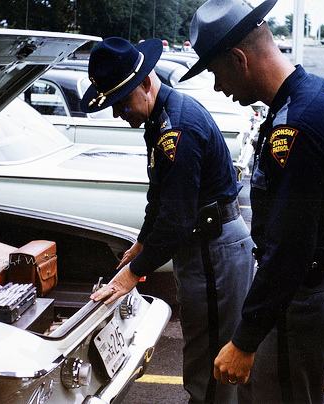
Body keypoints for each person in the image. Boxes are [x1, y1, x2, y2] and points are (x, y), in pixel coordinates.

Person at [181, 0, 324, 402]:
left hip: (303, 292)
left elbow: (291, 246)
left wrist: (244, 341)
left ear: (238, 59)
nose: (217, 88)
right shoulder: (318, 95)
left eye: (215, 73)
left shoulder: (298, 123)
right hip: (315, 282)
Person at [81, 37, 255, 404]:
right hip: (206, 248)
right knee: (207, 359)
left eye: (121, 101)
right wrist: (143, 243)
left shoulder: (178, 129)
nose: (118, 113)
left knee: (211, 369)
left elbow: (177, 219)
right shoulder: (161, 117)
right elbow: (159, 195)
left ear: (145, 83)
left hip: (213, 252)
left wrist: (134, 274)